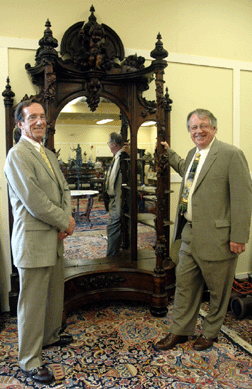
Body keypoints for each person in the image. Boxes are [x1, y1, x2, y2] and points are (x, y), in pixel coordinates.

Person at [155, 108, 252, 352]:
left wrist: (239, 237)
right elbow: (186, 172)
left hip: (219, 239)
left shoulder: (231, 154)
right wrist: (168, 152)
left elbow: (242, 198)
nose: (198, 131)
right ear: (189, 131)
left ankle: (210, 333)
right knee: (184, 286)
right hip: (189, 234)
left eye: (203, 126)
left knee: (218, 292)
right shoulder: (192, 154)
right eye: (193, 127)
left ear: (214, 128)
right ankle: (180, 331)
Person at [4, 99, 76, 384]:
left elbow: (65, 190)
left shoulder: (47, 153)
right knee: (32, 304)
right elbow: (34, 201)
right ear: (20, 124)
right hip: (33, 241)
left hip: (55, 237)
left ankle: (50, 337)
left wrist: (65, 220)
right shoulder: (17, 155)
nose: (39, 121)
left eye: (42, 116)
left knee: (53, 295)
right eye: (32, 117)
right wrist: (64, 221)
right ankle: (29, 360)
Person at [104, 132, 129, 256]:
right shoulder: (116, 157)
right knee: (114, 229)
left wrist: (129, 154)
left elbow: (136, 170)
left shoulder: (123, 157)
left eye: (109, 143)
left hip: (119, 200)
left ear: (114, 144)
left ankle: (111, 258)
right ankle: (115, 255)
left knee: (112, 229)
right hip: (112, 200)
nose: (108, 145)